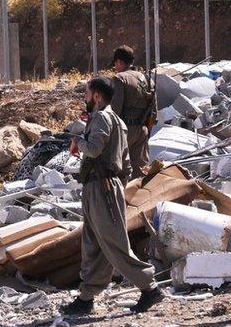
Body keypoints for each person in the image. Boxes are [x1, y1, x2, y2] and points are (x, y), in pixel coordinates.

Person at [61, 76, 163, 316]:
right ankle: (86, 298)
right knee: (93, 245)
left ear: (96, 96)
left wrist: (78, 142)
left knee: (114, 244)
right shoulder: (118, 121)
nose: (84, 98)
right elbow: (126, 165)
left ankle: (150, 287)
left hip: (101, 188)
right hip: (103, 187)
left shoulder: (101, 117)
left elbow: (94, 149)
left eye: (87, 93)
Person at [110, 45, 156, 179]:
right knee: (140, 172)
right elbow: (154, 111)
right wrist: (147, 130)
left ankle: (121, 198)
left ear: (119, 61)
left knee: (118, 170)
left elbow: (115, 110)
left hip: (124, 130)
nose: (115, 67)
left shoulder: (120, 78)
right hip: (142, 129)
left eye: (115, 64)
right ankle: (139, 198)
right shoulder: (148, 80)